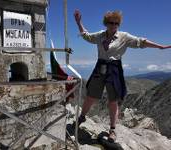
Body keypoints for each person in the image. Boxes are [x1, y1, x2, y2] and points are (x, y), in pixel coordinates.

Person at [73, 9, 171, 142]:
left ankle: (112, 130)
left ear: (118, 24)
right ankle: (81, 117)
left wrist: (159, 47)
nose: (114, 25)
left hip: (114, 68)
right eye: (111, 23)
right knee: (91, 95)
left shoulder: (123, 36)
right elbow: (86, 36)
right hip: (100, 66)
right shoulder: (100, 35)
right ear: (106, 23)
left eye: (116, 23)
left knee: (113, 100)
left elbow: (140, 41)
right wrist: (79, 22)